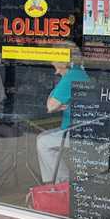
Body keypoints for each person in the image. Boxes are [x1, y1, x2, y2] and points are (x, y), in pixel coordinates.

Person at [36, 42, 89, 183]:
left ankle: (63, 182)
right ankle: (54, 182)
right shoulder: (79, 72)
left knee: (43, 142)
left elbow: (51, 106)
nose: (52, 63)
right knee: (43, 136)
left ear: (63, 61)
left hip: (75, 131)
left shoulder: (71, 76)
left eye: (54, 59)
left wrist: (55, 98)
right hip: (82, 127)